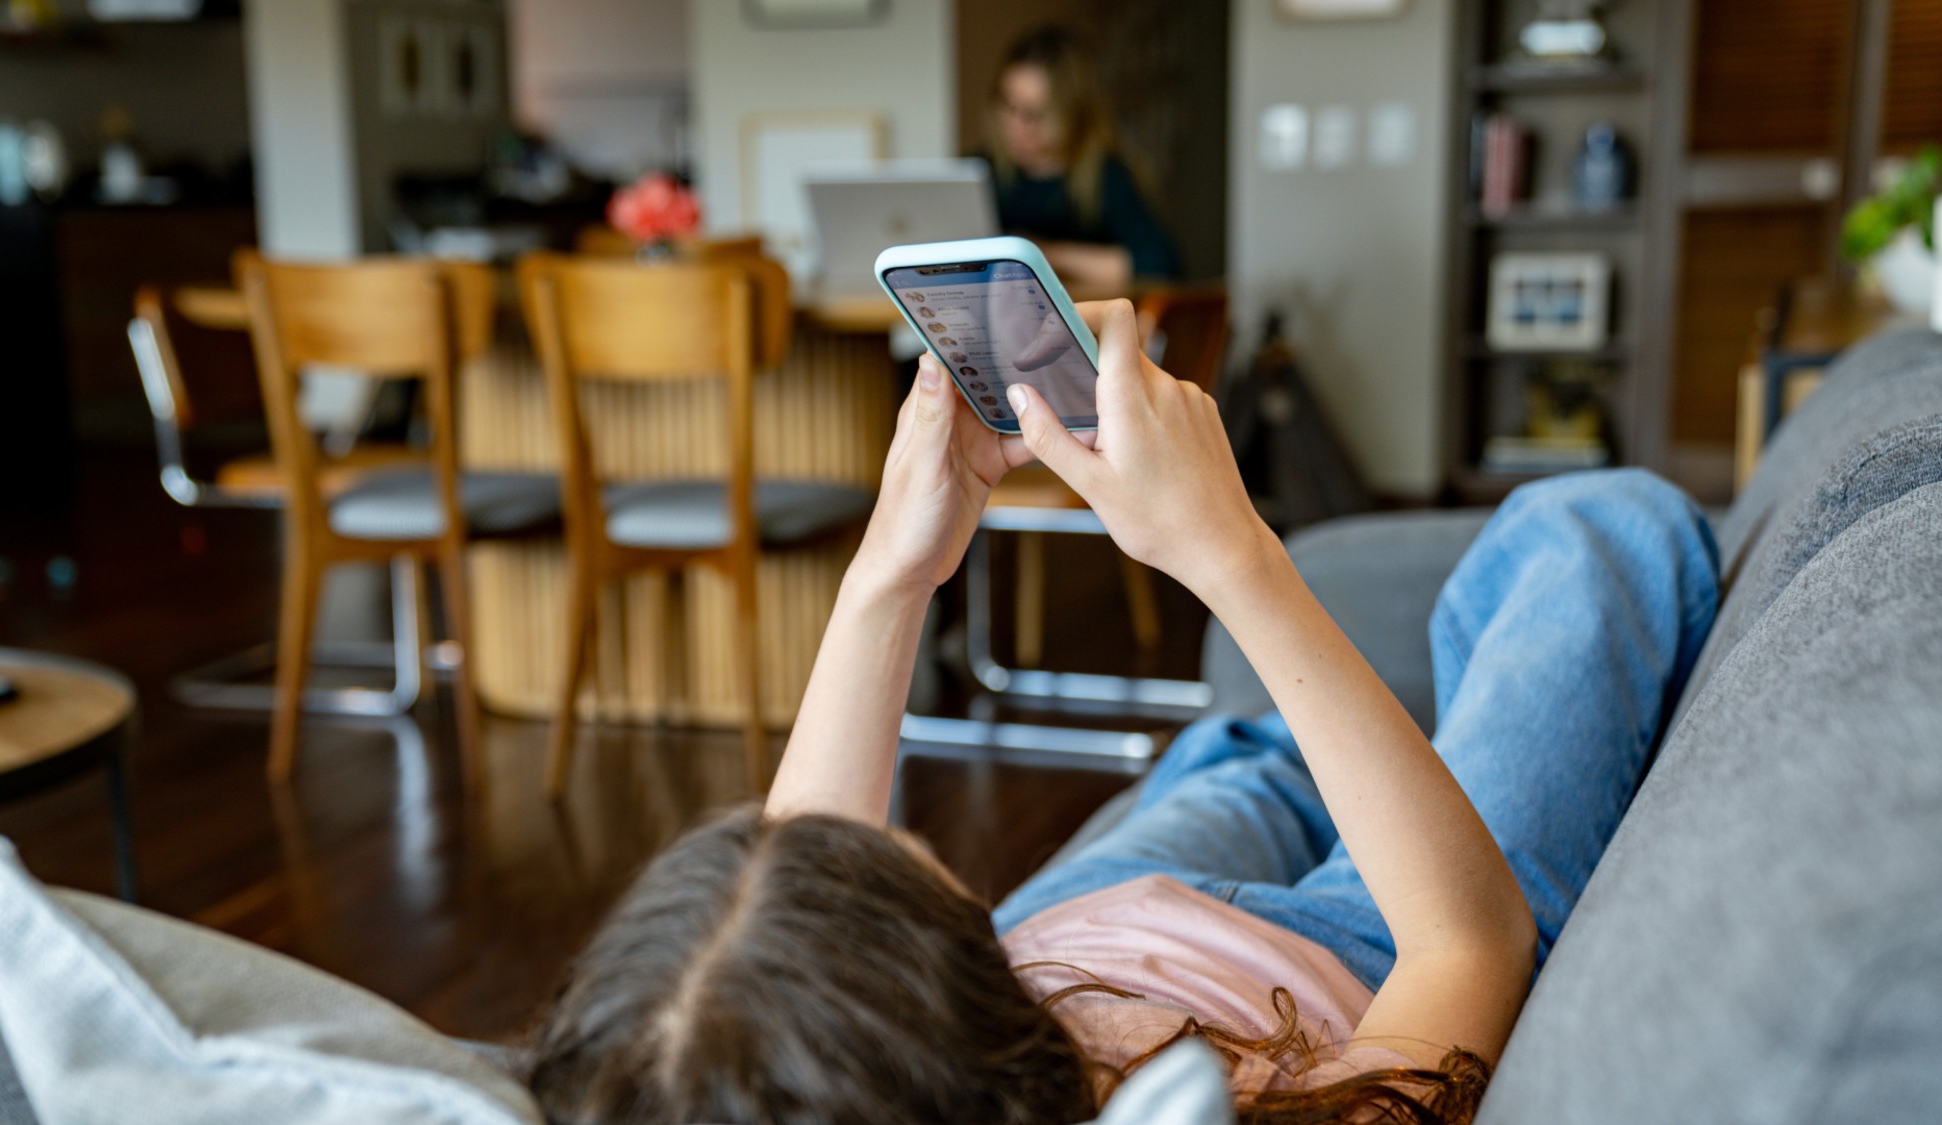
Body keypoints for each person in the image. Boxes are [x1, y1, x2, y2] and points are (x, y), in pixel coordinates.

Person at [523, 301, 1720, 1124]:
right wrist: (1227, 551)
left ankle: (1330, 761)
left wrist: (893, 569)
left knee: (1241, 756)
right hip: (1337, 966)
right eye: (906, 871)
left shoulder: (763, 1076)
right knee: (1597, 529)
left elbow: (792, 940)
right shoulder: (1285, 1106)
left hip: (1064, 950)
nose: (869, 839)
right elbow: (1467, 944)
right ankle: (1383, 778)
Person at [985, 27, 1180, 287]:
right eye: (1009, 107)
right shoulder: (981, 172)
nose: (1017, 126)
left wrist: (1046, 254)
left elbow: (1160, 264)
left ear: (1071, 113)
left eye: (1034, 114)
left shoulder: (1105, 176)